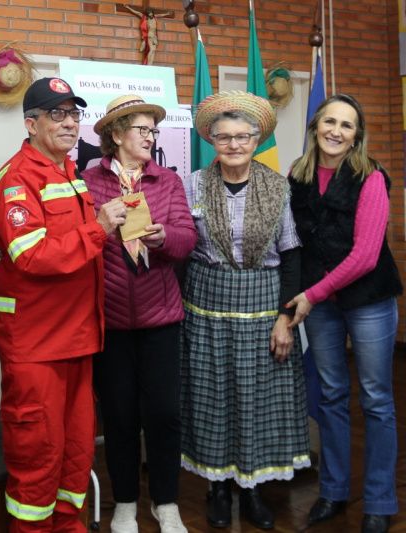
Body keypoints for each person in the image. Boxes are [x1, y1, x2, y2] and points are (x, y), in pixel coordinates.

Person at [0, 77, 125, 532]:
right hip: (36, 345)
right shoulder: (15, 179)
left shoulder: (69, 172)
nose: (69, 123)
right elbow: (31, 255)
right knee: (37, 458)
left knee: (76, 453)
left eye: (74, 114)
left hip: (77, 338)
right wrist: (100, 228)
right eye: (57, 114)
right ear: (31, 124)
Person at [180, 90, 310, 530]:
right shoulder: (194, 184)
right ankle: (217, 489)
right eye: (224, 137)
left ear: (257, 140)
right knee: (212, 399)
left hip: (262, 308)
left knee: (256, 401)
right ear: (211, 141)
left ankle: (251, 490)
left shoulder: (277, 187)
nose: (234, 145)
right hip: (205, 309)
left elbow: (291, 255)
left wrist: (284, 318)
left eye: (243, 137)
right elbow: (181, 250)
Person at [287, 94, 402, 533]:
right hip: (322, 305)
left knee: (376, 400)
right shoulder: (296, 177)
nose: (336, 131)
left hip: (368, 300)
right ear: (316, 125)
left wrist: (311, 295)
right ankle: (333, 492)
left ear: (357, 135)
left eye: (347, 125)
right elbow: (294, 245)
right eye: (329, 121)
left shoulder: (370, 177)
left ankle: (379, 500)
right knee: (330, 397)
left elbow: (366, 256)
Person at [82, 95, 195, 533]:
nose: (151, 137)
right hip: (109, 323)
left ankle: (165, 503)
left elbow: (187, 239)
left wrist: (165, 237)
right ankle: (126, 502)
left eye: (153, 130)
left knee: (165, 414)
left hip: (161, 319)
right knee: (120, 415)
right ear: (116, 135)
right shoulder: (88, 182)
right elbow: (78, 241)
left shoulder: (167, 181)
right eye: (142, 130)